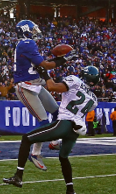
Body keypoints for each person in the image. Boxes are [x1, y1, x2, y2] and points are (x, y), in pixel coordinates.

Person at [3, 65, 99, 194]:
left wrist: (45, 74)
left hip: (64, 124)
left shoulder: (74, 80)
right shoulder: (94, 99)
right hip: (75, 130)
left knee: (27, 138)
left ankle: (18, 175)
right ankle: (71, 193)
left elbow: (52, 87)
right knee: (63, 157)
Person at [13, 19, 75, 171]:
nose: (36, 32)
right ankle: (35, 153)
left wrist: (60, 60)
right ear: (26, 30)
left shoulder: (27, 44)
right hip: (26, 86)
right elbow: (46, 65)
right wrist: (64, 59)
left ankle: (54, 141)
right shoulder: (26, 44)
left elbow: (41, 63)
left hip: (36, 84)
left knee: (57, 112)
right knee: (44, 121)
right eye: (33, 29)